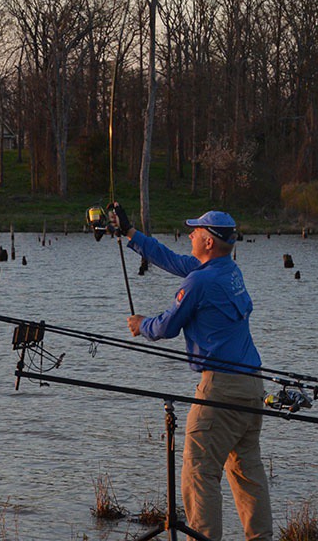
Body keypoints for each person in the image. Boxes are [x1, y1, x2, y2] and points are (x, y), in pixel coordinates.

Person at [107, 201, 272, 541]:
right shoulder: (228, 271)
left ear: (209, 241)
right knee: (247, 472)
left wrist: (142, 325)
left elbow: (167, 326)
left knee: (199, 473)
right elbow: (174, 261)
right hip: (253, 386)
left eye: (196, 230)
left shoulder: (199, 283)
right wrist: (130, 234)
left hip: (220, 391)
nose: (191, 234)